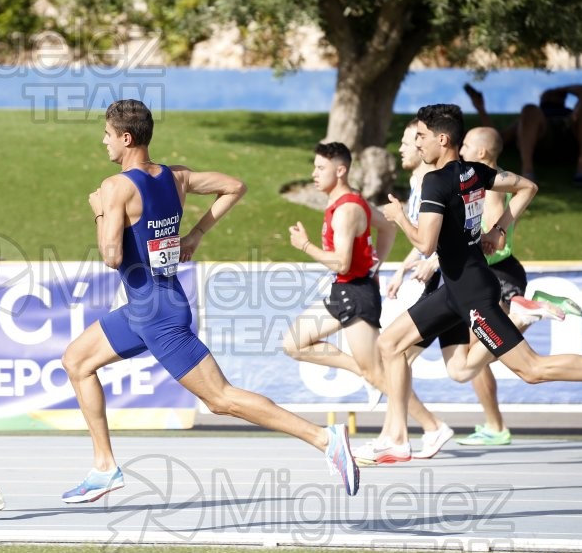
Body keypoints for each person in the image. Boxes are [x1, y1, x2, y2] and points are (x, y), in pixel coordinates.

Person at [61, 99, 359, 501]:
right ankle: (104, 466)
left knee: (221, 399)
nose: (104, 142)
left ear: (125, 138)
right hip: (146, 306)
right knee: (77, 361)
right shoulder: (177, 177)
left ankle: (325, 438)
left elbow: (113, 257)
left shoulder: (115, 189)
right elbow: (235, 186)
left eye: (107, 135)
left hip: (158, 316)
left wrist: (99, 212)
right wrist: (197, 234)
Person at [376, 104, 582, 454]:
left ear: (442, 139)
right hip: (456, 288)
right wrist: (500, 229)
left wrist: (399, 216)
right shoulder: (474, 171)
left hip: (473, 293)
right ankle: (397, 438)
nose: (417, 145)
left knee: (532, 370)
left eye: (421, 137)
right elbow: (528, 187)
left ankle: (400, 436)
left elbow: (425, 243)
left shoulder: (435, 181)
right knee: (392, 346)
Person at [284, 140, 451, 463]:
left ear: (341, 170)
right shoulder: (350, 202)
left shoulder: (347, 209)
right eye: (315, 167)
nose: (314, 174)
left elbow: (342, 263)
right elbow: (387, 227)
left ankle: (433, 426)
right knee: (294, 343)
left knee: (378, 374)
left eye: (321, 168)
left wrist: (305, 246)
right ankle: (364, 372)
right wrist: (377, 263)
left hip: (356, 293)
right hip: (343, 291)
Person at [464, 83, 582, 186]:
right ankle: (528, 171)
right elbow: (497, 138)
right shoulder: (531, 117)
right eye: (548, 94)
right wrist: (480, 108)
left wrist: (562, 89)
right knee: (529, 108)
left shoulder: (572, 114)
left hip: (572, 139)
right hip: (543, 141)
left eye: (555, 94)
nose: (551, 95)